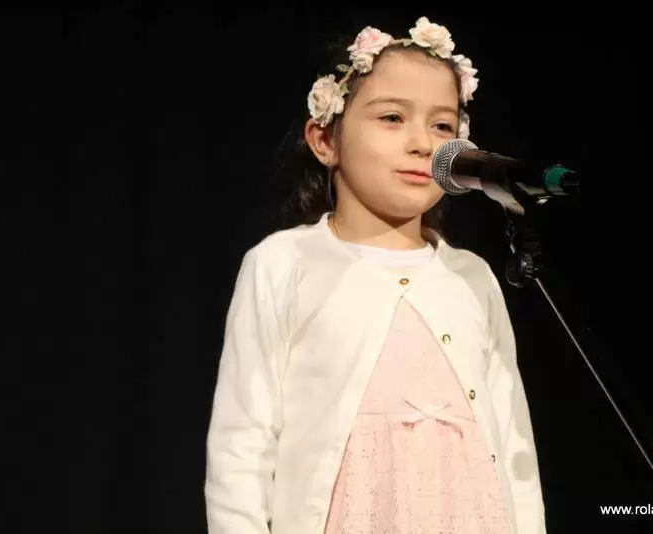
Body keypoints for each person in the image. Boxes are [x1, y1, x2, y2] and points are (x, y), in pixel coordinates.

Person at [204, 16, 547, 534]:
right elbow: (241, 444)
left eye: (442, 126)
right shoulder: (284, 263)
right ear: (325, 139)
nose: (422, 143)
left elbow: (515, 443)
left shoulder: (471, 278)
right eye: (392, 118)